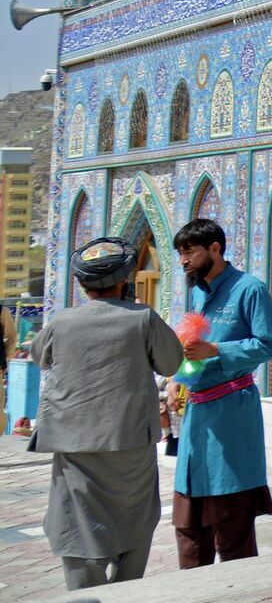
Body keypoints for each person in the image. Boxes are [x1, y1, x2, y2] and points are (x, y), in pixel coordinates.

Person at [29, 237, 184, 591]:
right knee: (135, 521)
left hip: (75, 447)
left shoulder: (62, 321)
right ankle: (125, 591)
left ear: (82, 285)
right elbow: (171, 361)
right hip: (130, 443)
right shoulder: (143, 318)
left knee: (78, 526)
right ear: (124, 281)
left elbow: (41, 357)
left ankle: (86, 595)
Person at [171, 217, 272, 567]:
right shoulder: (198, 292)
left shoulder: (249, 289)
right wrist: (181, 376)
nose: (184, 261)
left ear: (215, 249)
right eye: (180, 254)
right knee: (189, 528)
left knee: (231, 527)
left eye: (189, 252)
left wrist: (217, 351)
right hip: (195, 421)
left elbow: (270, 345)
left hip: (231, 417)